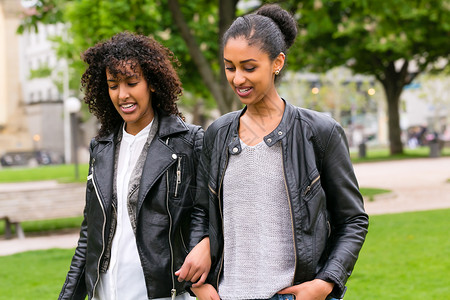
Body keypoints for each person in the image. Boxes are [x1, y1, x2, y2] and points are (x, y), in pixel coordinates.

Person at [182, 4, 369, 300]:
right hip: (225, 294)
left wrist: (325, 283)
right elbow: (202, 212)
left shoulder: (319, 132)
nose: (238, 78)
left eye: (249, 67)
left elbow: (352, 220)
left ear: (277, 62)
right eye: (230, 67)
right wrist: (199, 284)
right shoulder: (218, 133)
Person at [58, 32, 207, 300]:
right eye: (113, 85)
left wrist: (195, 269)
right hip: (105, 291)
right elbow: (90, 233)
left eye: (131, 82)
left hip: (160, 291)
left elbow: (201, 212)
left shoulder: (188, 141)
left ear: (151, 82)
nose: (122, 94)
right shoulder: (101, 147)